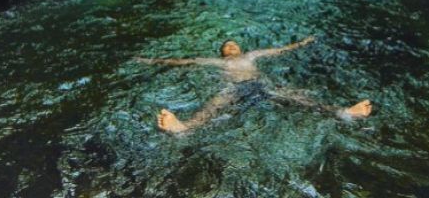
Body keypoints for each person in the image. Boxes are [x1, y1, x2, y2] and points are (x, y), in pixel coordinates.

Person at [134, 37, 373, 133]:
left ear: (241, 48)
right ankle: (183, 127)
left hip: (259, 84)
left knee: (300, 99)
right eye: (227, 46)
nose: (231, 46)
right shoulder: (216, 61)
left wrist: (303, 43)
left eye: (234, 44)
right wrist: (150, 60)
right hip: (235, 88)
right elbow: (182, 62)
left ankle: (344, 113)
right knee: (213, 105)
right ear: (222, 52)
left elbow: (281, 50)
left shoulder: (253, 55)